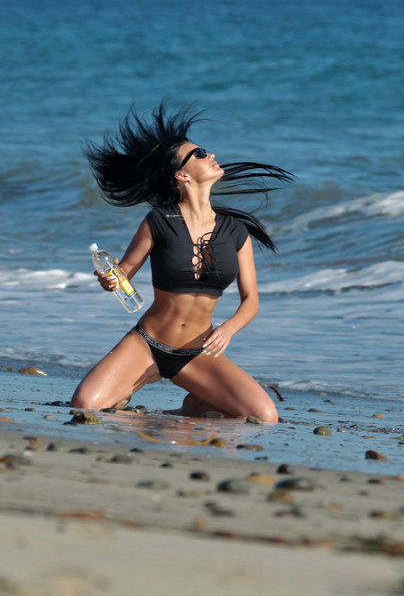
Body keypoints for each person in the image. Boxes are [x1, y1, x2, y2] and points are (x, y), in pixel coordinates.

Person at [71, 102, 292, 423]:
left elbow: (251, 300)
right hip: (147, 345)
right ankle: (127, 390)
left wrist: (228, 329)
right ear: (182, 175)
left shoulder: (236, 232)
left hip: (198, 352)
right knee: (84, 405)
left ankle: (194, 405)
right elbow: (124, 274)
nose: (210, 154)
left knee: (264, 416)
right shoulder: (158, 221)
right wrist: (110, 280)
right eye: (199, 153)